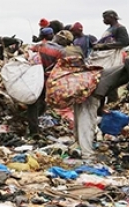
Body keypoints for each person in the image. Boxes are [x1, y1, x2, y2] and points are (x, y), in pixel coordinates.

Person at [54, 30, 100, 160]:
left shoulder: (62, 52)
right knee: (79, 116)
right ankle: (79, 144)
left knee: (84, 119)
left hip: (74, 87)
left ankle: (85, 151)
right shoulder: (77, 50)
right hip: (80, 85)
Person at [26, 28, 65, 136]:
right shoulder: (59, 50)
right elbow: (60, 66)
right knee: (43, 100)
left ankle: (33, 129)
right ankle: (40, 124)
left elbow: (27, 57)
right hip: (48, 79)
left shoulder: (37, 47)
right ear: (51, 35)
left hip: (34, 78)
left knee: (33, 103)